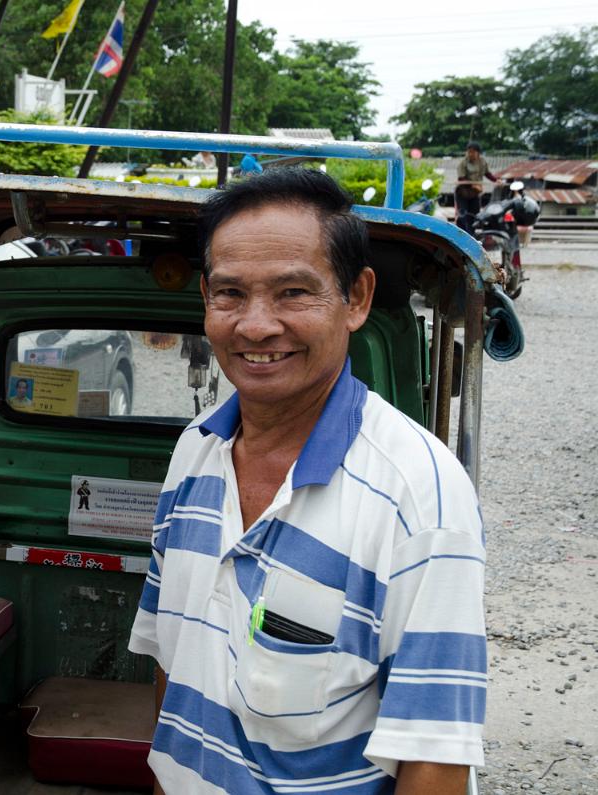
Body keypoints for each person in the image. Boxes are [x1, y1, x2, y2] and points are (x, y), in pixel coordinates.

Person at [129, 167, 486, 794]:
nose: (256, 326)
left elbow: (433, 756)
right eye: (230, 293)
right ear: (206, 298)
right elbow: (174, 665)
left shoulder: (420, 494)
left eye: (293, 292)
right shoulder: (195, 452)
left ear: (357, 299)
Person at [455, 141, 499, 230]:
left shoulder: (482, 162)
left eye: (473, 152)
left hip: (475, 193)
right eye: (469, 152)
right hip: (463, 192)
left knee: (474, 215)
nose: (470, 154)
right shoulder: (463, 162)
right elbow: (461, 178)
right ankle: (462, 233)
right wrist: (474, 185)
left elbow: (487, 173)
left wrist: (496, 180)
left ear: (478, 153)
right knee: (463, 215)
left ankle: (472, 234)